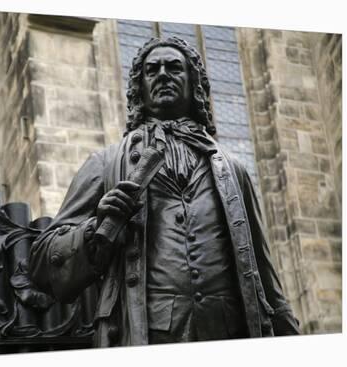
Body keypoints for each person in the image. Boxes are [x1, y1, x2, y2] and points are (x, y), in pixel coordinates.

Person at [29, 36, 300, 347]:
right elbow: (42, 263)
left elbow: (264, 276)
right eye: (151, 69)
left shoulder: (233, 170)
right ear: (140, 88)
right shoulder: (106, 163)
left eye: (174, 67)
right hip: (146, 334)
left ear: (194, 83)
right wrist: (94, 230)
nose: (162, 74)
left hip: (228, 334)